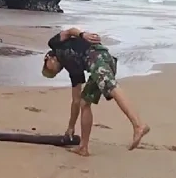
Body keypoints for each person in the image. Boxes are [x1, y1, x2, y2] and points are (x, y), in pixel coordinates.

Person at [42, 27, 149, 156]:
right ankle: (83, 147)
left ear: (48, 57)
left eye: (49, 69)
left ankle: (138, 125)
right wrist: (71, 127)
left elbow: (69, 31)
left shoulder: (54, 43)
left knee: (111, 86)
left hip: (96, 56)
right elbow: (75, 101)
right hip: (99, 63)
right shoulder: (73, 70)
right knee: (84, 102)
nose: (55, 71)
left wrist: (83, 35)